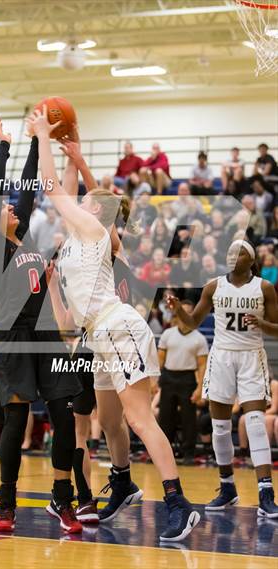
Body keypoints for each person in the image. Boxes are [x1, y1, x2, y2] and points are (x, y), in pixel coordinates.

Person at [29, 106, 200, 542]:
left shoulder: (93, 228)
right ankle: (122, 482)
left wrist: (43, 138)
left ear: (96, 211)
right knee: (109, 420)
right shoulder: (70, 243)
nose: (78, 199)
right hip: (96, 334)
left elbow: (52, 190)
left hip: (117, 326)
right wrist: (73, 155)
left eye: (86, 199)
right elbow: (62, 188)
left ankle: (178, 503)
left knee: (140, 419)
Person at [0, 119, 82, 534]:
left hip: (44, 332)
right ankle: (6, 503)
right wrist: (4, 148)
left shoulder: (20, 233)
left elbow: (25, 188)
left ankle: (62, 499)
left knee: (63, 415)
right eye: (4, 209)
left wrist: (32, 142)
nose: (12, 208)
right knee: (17, 417)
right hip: (12, 337)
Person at [49, 136, 143, 525]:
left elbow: (96, 206)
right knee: (82, 421)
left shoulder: (110, 240)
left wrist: (82, 164)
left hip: (117, 334)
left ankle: (120, 480)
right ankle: (85, 496)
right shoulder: (85, 247)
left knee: (113, 422)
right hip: (91, 339)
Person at [167, 239, 278, 517]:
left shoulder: (263, 288)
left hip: (251, 355)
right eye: (229, 251)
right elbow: (192, 322)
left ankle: (266, 493)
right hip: (222, 356)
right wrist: (179, 309)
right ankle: (227, 488)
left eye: (239, 252)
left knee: (254, 423)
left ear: (251, 260)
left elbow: (277, 328)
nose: (232, 255)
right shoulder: (213, 286)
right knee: (219, 427)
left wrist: (263, 324)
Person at [157, 300, 209, 464]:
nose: (183, 313)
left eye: (187, 311)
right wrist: (153, 381)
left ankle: (188, 454)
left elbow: (202, 366)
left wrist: (200, 388)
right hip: (168, 377)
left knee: (189, 419)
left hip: (187, 379)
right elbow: (159, 360)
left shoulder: (199, 338)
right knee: (165, 418)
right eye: (181, 310)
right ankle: (164, 453)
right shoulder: (167, 334)